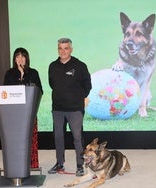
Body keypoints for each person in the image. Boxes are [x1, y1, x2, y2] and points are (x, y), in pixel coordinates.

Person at [48, 38, 92, 176]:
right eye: (60, 48)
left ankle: (80, 165)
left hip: (75, 109)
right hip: (58, 109)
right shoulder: (53, 66)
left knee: (77, 137)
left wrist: (78, 98)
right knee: (58, 136)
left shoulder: (80, 66)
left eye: (66, 48)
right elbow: (52, 84)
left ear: (71, 49)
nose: (63, 51)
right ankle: (59, 163)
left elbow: (87, 85)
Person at [3, 47, 43, 168]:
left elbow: (40, 91)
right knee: (14, 140)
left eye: (23, 56)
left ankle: (32, 164)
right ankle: (15, 165)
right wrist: (20, 75)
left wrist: (24, 75)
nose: (20, 59)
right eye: (17, 56)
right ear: (14, 59)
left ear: (27, 58)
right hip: (14, 114)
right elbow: (5, 91)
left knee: (30, 139)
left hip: (29, 113)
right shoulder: (9, 73)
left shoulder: (33, 73)